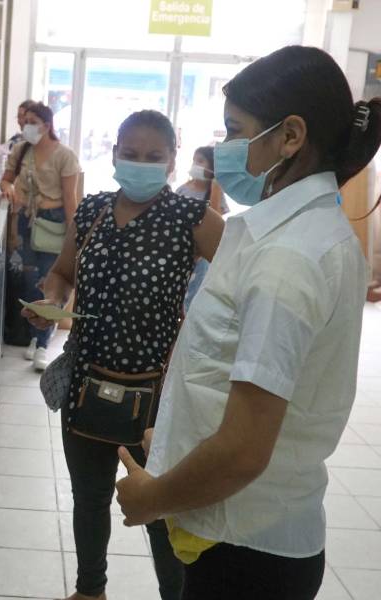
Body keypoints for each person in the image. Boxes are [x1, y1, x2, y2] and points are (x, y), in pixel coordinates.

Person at [115, 46, 381, 600]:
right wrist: (178, 435)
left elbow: (244, 449)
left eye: (236, 130)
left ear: (290, 137)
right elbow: (238, 375)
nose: (224, 148)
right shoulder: (291, 233)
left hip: (245, 553)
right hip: (244, 535)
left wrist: (153, 496)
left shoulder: (289, 258)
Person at [22, 109, 224, 600]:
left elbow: (248, 285)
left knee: (159, 509)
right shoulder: (90, 211)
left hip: (155, 397)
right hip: (85, 386)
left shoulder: (192, 218)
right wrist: (52, 300)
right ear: (113, 154)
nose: (140, 164)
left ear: (173, 162)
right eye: (130, 154)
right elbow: (63, 273)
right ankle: (90, 591)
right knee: (88, 500)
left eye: (154, 157)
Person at [1, 102, 80, 371]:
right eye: (24, 120)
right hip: (24, 223)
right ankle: (34, 337)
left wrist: (74, 237)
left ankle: (44, 344)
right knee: (26, 280)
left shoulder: (64, 156)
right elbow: (6, 179)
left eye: (32, 120)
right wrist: (8, 189)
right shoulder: (21, 150)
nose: (26, 125)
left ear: (47, 126)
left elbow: (70, 199)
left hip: (54, 224)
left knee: (49, 283)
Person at [175, 146, 228, 311]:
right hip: (180, 249)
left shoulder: (215, 192)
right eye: (194, 160)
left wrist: (216, 187)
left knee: (193, 296)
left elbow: (216, 218)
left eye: (200, 161)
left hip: (201, 258)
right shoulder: (183, 190)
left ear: (211, 167)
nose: (195, 165)